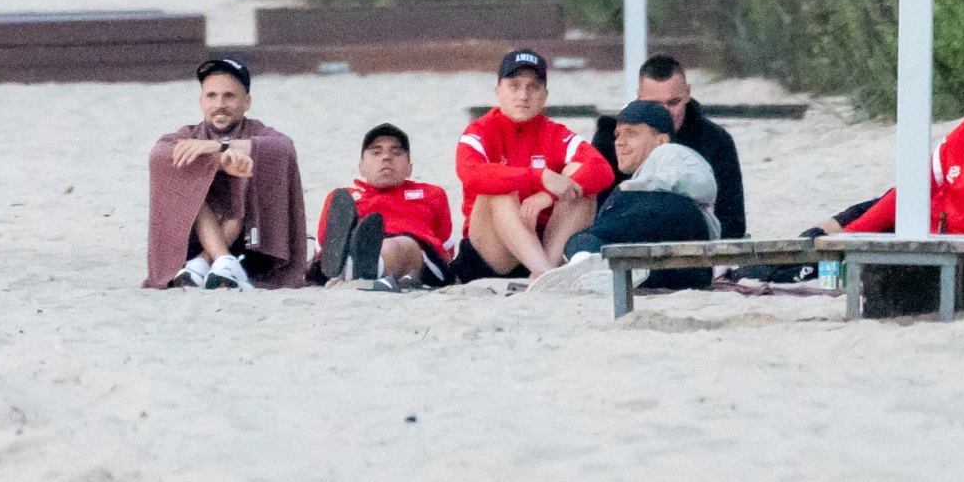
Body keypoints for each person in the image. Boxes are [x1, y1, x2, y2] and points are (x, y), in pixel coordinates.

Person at [738, 84, 964, 283]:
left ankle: (742, 273)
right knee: (821, 236)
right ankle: (740, 266)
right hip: (910, 216)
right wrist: (848, 237)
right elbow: (912, 191)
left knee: (800, 272)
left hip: (933, 251)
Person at [450, 49, 615, 282]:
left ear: (544, 95)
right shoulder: (478, 131)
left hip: (544, 242)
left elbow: (602, 168)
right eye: (514, 86)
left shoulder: (555, 133)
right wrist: (539, 177)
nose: (524, 95)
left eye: (533, 87)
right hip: (492, 251)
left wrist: (549, 195)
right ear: (498, 92)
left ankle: (544, 274)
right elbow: (471, 174)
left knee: (578, 177)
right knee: (500, 187)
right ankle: (547, 275)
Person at [144, 58, 306, 291]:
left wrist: (220, 147)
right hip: (193, 246)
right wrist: (219, 162)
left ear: (246, 102)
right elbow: (159, 154)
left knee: (252, 161)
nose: (220, 104)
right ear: (201, 101)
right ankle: (220, 260)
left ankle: (207, 261)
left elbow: (282, 148)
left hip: (254, 248)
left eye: (229, 96)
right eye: (211, 96)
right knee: (176, 164)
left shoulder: (261, 132)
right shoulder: (188, 134)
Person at [533, 101, 720, 293]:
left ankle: (585, 258)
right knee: (584, 238)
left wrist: (632, 188)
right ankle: (594, 265)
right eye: (618, 135)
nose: (619, 142)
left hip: (685, 226)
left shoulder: (670, 152)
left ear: (661, 140)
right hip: (682, 270)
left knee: (595, 232)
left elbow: (704, 185)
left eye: (631, 133)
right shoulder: (639, 179)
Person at [592, 54, 746, 239]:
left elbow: (732, 221)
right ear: (638, 97)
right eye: (655, 104)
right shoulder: (610, 138)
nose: (666, 112)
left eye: (674, 102)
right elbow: (597, 210)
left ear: (688, 93)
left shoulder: (716, 141)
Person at [314, 123, 454, 291]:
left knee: (399, 245)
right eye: (376, 152)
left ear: (409, 168)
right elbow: (323, 248)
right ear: (361, 167)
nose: (386, 157)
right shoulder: (344, 198)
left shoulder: (431, 194)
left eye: (396, 152)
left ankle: (361, 268)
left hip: (417, 256)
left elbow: (446, 249)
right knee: (349, 243)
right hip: (354, 249)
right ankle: (353, 264)